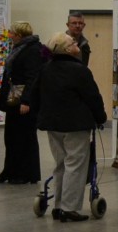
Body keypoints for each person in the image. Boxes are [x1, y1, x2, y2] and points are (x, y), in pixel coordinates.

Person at [27, 33, 106, 221]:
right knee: (75, 165)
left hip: (53, 125)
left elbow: (34, 95)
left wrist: (40, 116)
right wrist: (100, 117)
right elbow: (92, 97)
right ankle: (69, 208)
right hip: (76, 124)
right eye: (72, 42)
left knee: (61, 164)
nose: (76, 43)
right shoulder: (79, 71)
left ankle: (58, 205)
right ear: (66, 49)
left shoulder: (46, 69)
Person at [0, 22, 47, 185]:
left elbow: (32, 78)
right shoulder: (19, 48)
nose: (9, 35)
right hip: (14, 99)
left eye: (11, 33)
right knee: (11, 136)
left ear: (18, 35)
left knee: (24, 137)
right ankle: (10, 170)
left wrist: (26, 101)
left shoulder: (32, 50)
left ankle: (25, 173)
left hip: (23, 101)